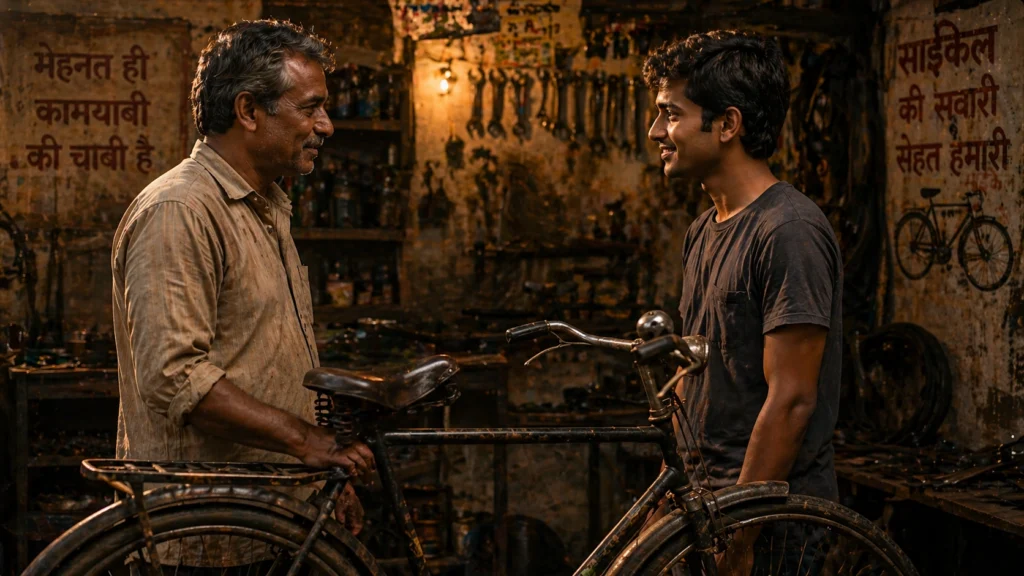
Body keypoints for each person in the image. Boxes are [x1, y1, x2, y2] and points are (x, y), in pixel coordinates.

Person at [111, 20, 374, 572]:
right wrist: (307, 442)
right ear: (249, 110)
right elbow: (175, 377)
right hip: (202, 536)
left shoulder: (266, 206)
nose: (326, 125)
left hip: (269, 517)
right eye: (310, 108)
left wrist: (318, 481)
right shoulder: (179, 211)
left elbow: (273, 360)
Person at [644, 30, 842, 575]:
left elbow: (792, 399)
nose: (656, 131)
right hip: (704, 508)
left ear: (727, 124)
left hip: (769, 525)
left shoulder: (788, 230)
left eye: (671, 114)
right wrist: (665, 494)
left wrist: (740, 537)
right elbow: (693, 374)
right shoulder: (703, 230)